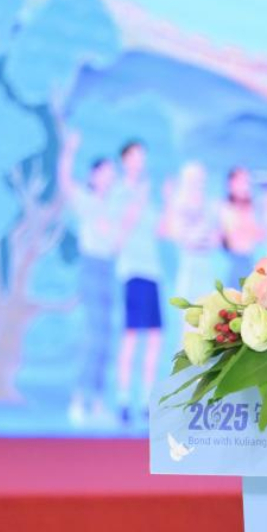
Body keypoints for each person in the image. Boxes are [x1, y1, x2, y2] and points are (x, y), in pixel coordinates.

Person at [57, 129, 119, 427]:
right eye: (105, 173)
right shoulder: (86, 199)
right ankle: (78, 400)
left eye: (112, 173)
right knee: (93, 336)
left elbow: (118, 239)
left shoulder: (112, 205)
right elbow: (66, 184)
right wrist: (69, 151)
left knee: (106, 337)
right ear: (94, 176)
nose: (109, 178)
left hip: (109, 268)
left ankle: (96, 400)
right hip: (91, 266)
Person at [111, 139, 167, 426]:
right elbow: (118, 231)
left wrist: (168, 201)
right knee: (132, 335)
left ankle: (146, 399)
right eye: (135, 157)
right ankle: (123, 399)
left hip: (153, 271)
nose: (140, 162)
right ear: (125, 160)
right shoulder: (119, 191)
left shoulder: (148, 193)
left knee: (155, 337)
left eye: (143, 157)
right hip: (132, 270)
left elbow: (160, 229)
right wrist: (138, 200)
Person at [163, 161, 221, 302]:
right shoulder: (178, 206)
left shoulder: (211, 206)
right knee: (188, 312)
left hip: (206, 268)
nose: (198, 183)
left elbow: (215, 240)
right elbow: (177, 235)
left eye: (201, 179)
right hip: (188, 267)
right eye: (193, 179)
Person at [220, 166, 266, 286]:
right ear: (231, 184)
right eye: (241, 181)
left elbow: (260, 235)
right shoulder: (226, 208)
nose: (245, 186)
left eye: (247, 181)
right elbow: (234, 238)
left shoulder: (255, 208)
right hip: (232, 265)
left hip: (252, 263)